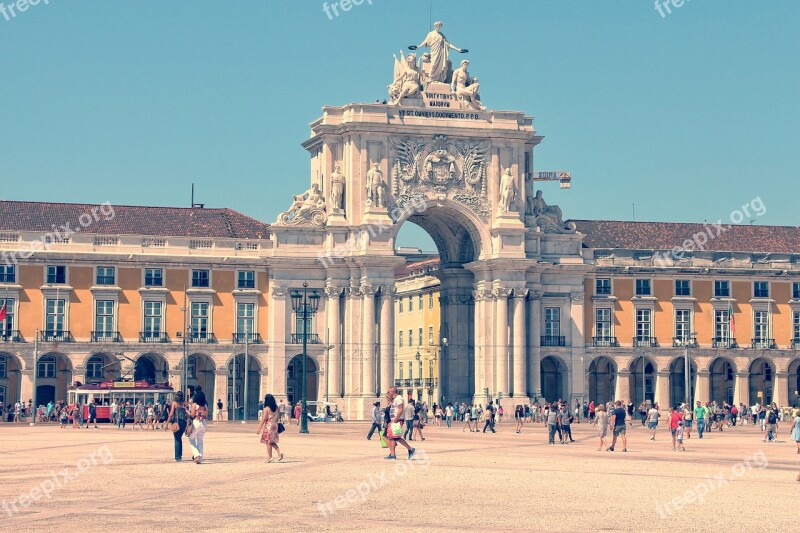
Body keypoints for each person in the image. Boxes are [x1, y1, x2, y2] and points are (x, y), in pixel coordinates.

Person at [384, 387, 414, 460]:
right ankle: (394, 454)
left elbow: (401, 409)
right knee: (393, 437)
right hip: (394, 420)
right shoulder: (394, 399)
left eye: (389, 392)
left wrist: (396, 419)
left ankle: (395, 454)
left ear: (392, 392)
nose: (388, 393)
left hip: (398, 420)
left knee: (394, 437)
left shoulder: (398, 398)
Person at [256, 394, 284, 463]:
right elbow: (278, 417)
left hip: (269, 425)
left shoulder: (266, 408)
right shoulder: (277, 407)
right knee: (272, 441)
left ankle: (270, 457)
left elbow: (264, 419)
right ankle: (279, 452)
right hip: (275, 425)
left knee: (268, 441)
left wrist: (259, 428)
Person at [165, 392, 188, 462]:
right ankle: (180, 455)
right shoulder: (184, 404)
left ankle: (177, 457)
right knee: (179, 438)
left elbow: (171, 414)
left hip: (176, 422)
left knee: (177, 439)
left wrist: (167, 423)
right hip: (183, 422)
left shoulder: (175, 403)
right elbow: (187, 414)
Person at [189, 388, 208, 463]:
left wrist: (188, 412)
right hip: (203, 423)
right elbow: (206, 416)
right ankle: (200, 458)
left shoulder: (194, 405)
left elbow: (192, 414)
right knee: (200, 440)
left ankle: (196, 454)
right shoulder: (205, 406)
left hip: (196, 422)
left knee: (191, 439)